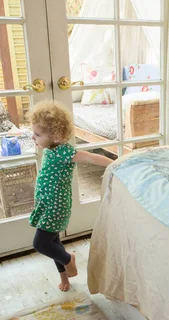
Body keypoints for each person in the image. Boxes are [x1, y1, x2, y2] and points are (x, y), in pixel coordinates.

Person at [28, 101, 113, 291]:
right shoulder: (50, 149)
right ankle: (65, 278)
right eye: (33, 133)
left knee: (40, 243)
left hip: (55, 207)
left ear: (55, 135)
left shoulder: (63, 151)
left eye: (38, 134)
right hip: (46, 204)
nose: (33, 138)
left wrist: (113, 164)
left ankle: (69, 259)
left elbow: (90, 157)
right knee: (53, 242)